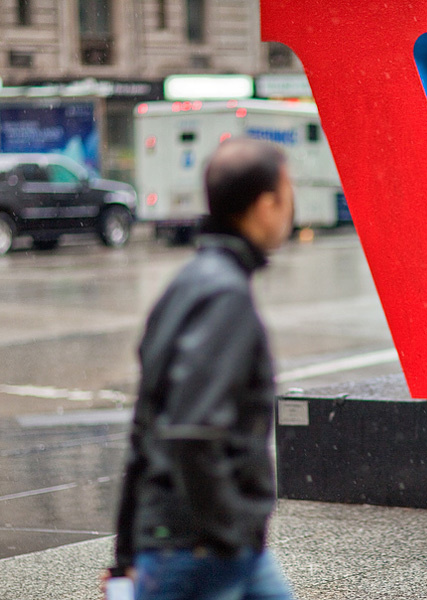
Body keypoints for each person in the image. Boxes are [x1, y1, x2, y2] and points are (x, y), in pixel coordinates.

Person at [109, 137, 296, 599]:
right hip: (199, 552)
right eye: (288, 195)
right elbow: (191, 432)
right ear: (265, 204)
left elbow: (144, 427)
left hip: (206, 546)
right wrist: (228, 532)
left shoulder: (189, 284)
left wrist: (123, 558)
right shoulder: (224, 295)